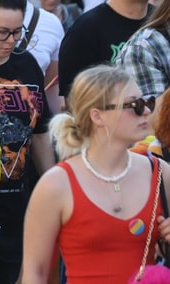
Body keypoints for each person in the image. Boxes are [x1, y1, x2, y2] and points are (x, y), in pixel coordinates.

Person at [22, 65, 169, 283]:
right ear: (97, 116)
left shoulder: (160, 173)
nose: (147, 111)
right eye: (135, 105)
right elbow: (36, 273)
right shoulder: (56, 184)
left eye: (147, 102)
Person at [0, 0, 55, 283]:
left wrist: (53, 183)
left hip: (19, 203)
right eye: (2, 32)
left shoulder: (27, 65)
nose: (11, 41)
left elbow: (40, 132)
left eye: (18, 32)